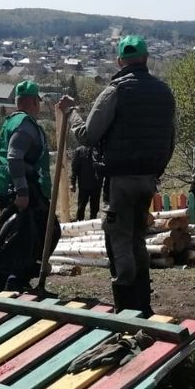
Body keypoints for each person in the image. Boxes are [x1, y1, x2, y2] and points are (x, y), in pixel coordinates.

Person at [56, 36, 176, 315]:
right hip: (148, 179)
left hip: (120, 180)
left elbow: (87, 136)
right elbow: (170, 139)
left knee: (119, 241)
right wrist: (155, 171)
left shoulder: (115, 91)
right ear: (146, 59)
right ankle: (144, 306)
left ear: (120, 61)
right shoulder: (164, 92)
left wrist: (72, 112)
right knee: (137, 239)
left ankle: (126, 310)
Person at [0, 80, 54, 293]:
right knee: (18, 237)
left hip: (14, 184)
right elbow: (15, 157)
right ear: (35, 102)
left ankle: (18, 279)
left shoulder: (13, 121)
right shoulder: (25, 125)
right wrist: (22, 192)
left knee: (38, 233)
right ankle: (3, 284)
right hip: (20, 187)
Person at [71, 142, 102, 221]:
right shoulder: (80, 151)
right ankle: (79, 224)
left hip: (96, 184)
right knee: (81, 206)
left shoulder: (99, 150)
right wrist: (73, 183)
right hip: (84, 185)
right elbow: (75, 169)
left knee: (95, 208)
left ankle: (93, 224)